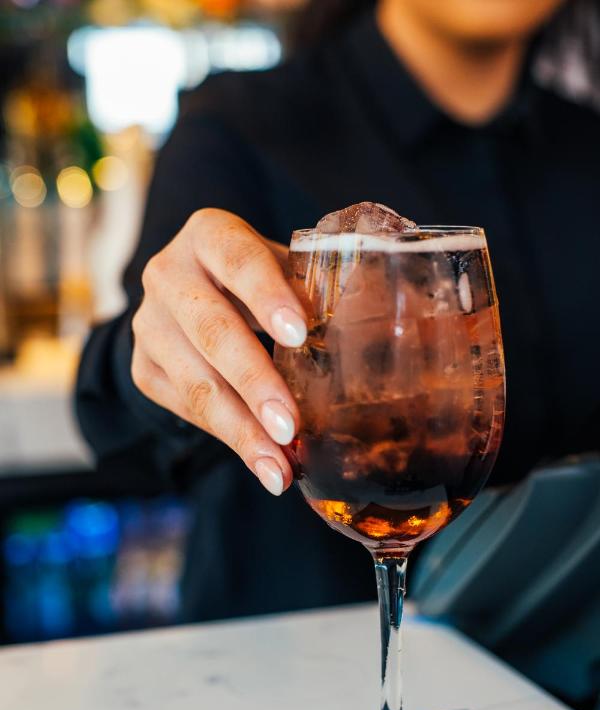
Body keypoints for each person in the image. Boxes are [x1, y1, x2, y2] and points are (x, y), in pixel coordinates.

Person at [77, 0, 600, 621]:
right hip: (284, 660)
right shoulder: (240, 123)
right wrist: (160, 350)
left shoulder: (586, 151)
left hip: (547, 675)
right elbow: (123, 417)